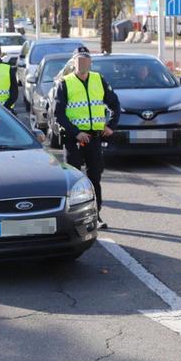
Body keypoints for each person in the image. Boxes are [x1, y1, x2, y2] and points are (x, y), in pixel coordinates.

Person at [54, 47, 121, 229]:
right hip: (74, 139)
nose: (82, 63)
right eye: (79, 60)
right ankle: (71, 219)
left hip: (94, 138)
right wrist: (76, 132)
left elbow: (115, 104)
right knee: (73, 179)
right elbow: (58, 114)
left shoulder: (98, 80)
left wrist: (110, 126)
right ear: (73, 63)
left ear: (90, 62)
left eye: (85, 60)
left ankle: (96, 215)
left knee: (94, 177)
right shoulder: (65, 83)